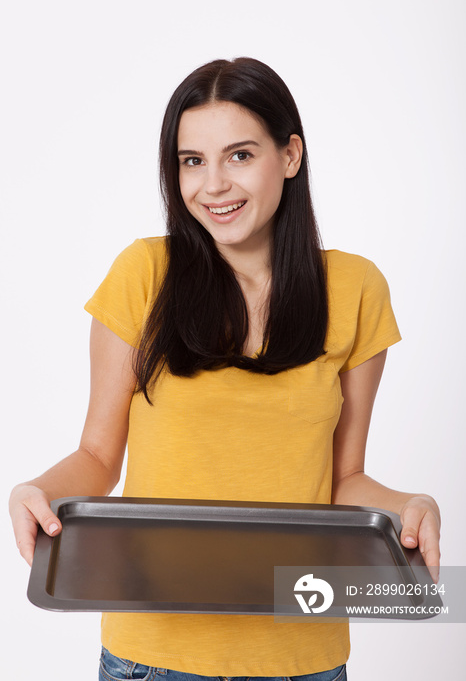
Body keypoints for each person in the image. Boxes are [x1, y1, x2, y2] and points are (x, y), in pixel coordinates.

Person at [9, 57, 440, 681]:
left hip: (304, 653)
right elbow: (99, 457)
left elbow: (341, 481)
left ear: (290, 156)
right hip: (152, 655)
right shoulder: (144, 274)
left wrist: (409, 504)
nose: (213, 185)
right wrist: (38, 491)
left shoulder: (356, 289)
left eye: (239, 155)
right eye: (192, 161)